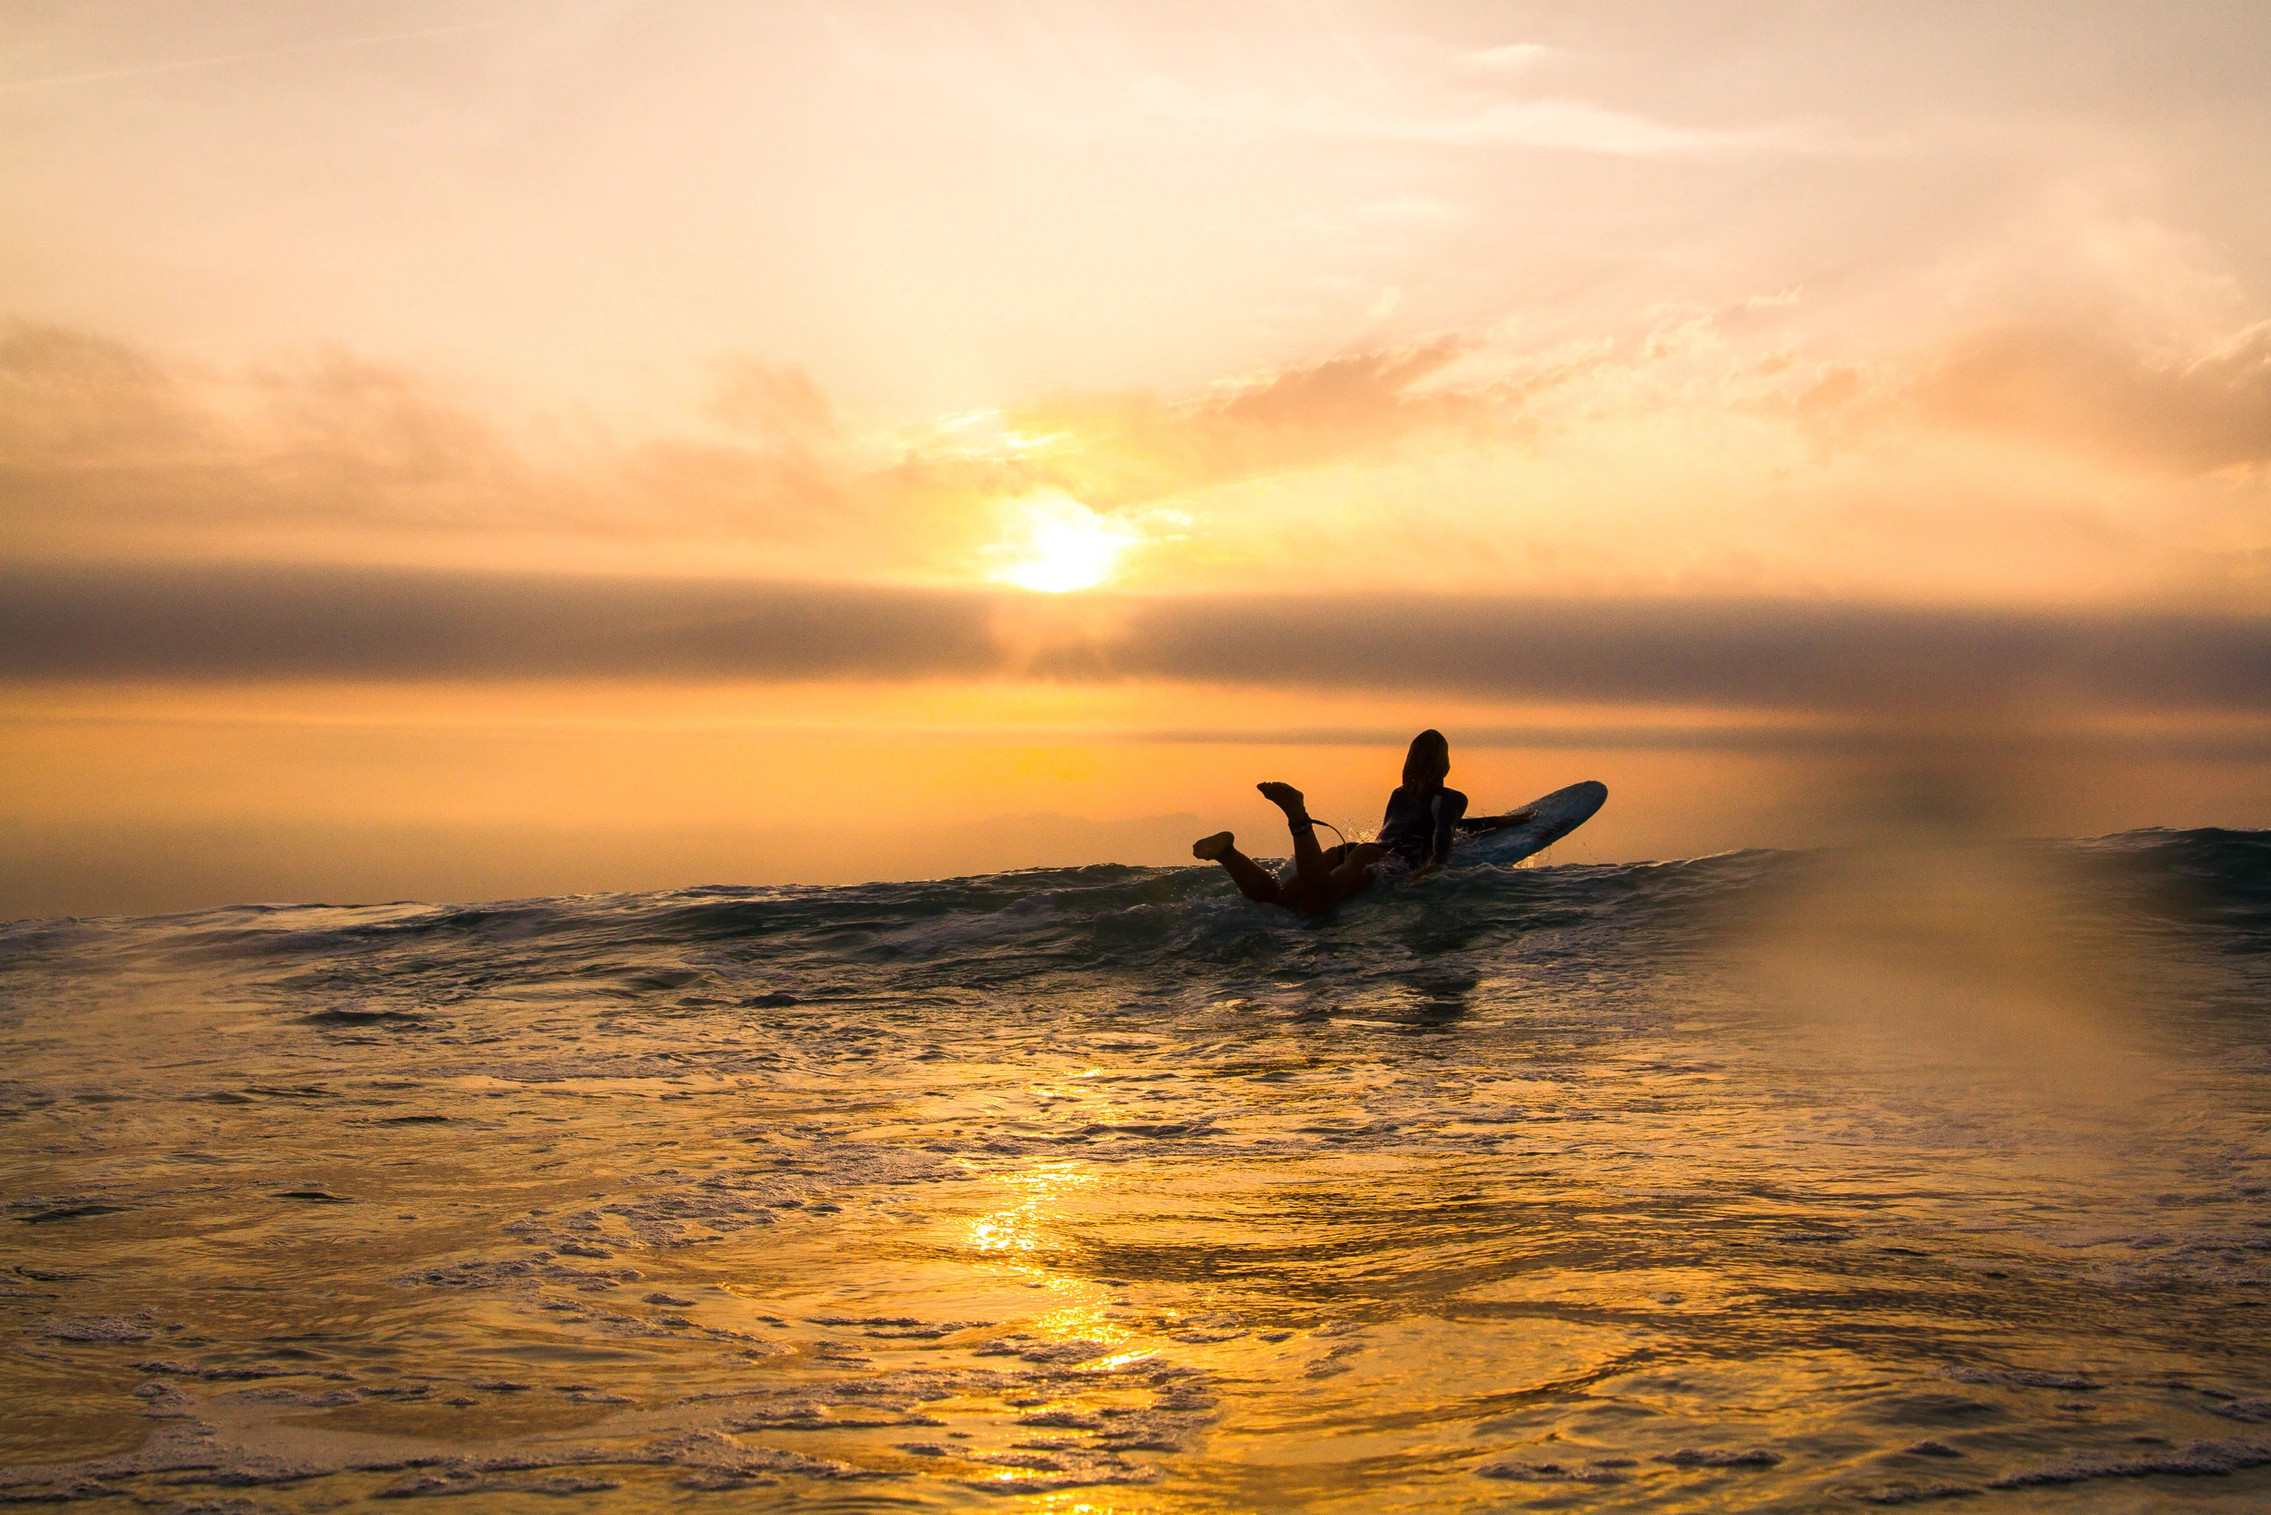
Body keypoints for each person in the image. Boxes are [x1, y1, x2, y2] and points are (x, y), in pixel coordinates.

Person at [1192, 730, 1535, 915]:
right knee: (1321, 897)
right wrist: (1440, 865)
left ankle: (1229, 854)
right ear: (1444, 762)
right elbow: (1443, 828)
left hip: (1353, 850)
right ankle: (1298, 817)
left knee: (1281, 900)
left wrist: (1499, 821)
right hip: (1381, 860)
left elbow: (1442, 824)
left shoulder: (1400, 794)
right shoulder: (1451, 798)